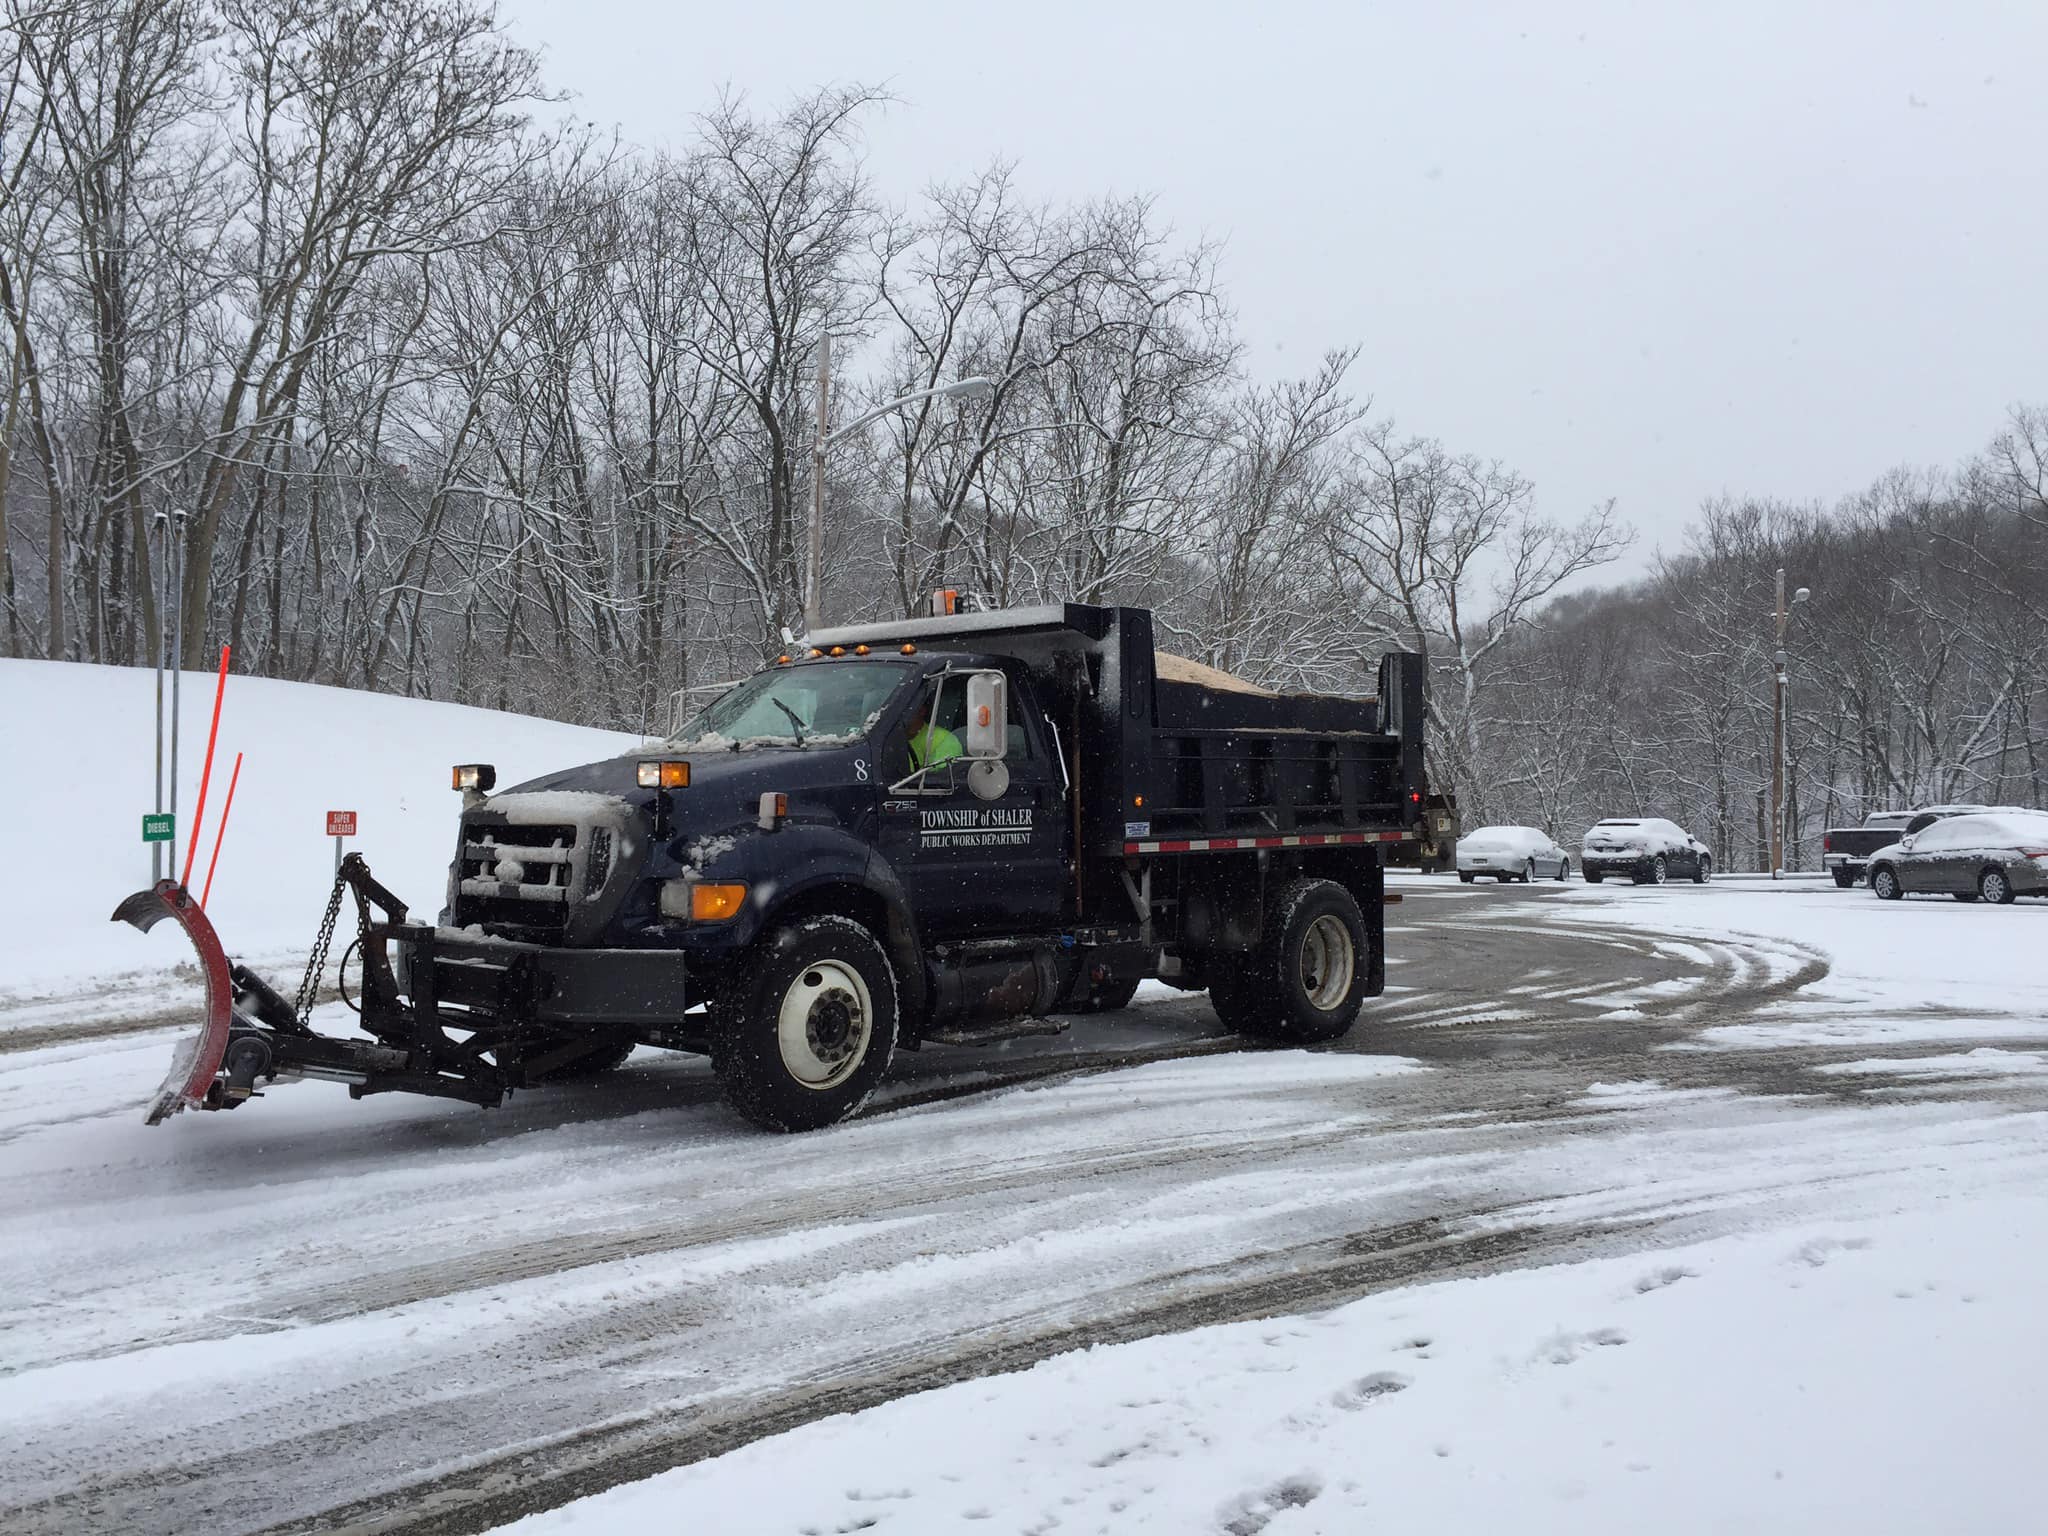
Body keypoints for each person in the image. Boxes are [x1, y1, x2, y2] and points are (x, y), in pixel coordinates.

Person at [906, 690, 962, 769]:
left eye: (907, 706)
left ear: (922, 710)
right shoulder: (888, 740)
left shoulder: (944, 740)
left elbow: (942, 778)